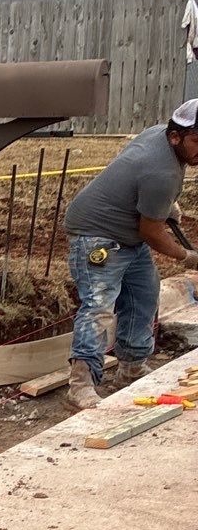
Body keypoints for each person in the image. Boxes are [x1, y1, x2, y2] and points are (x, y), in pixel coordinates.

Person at [63, 97, 198, 408]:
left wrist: (165, 207)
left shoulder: (157, 134)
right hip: (96, 234)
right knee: (99, 307)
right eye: (196, 140)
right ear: (175, 135)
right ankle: (81, 385)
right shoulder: (160, 173)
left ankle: (132, 370)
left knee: (143, 296)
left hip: (128, 235)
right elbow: (150, 232)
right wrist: (186, 256)